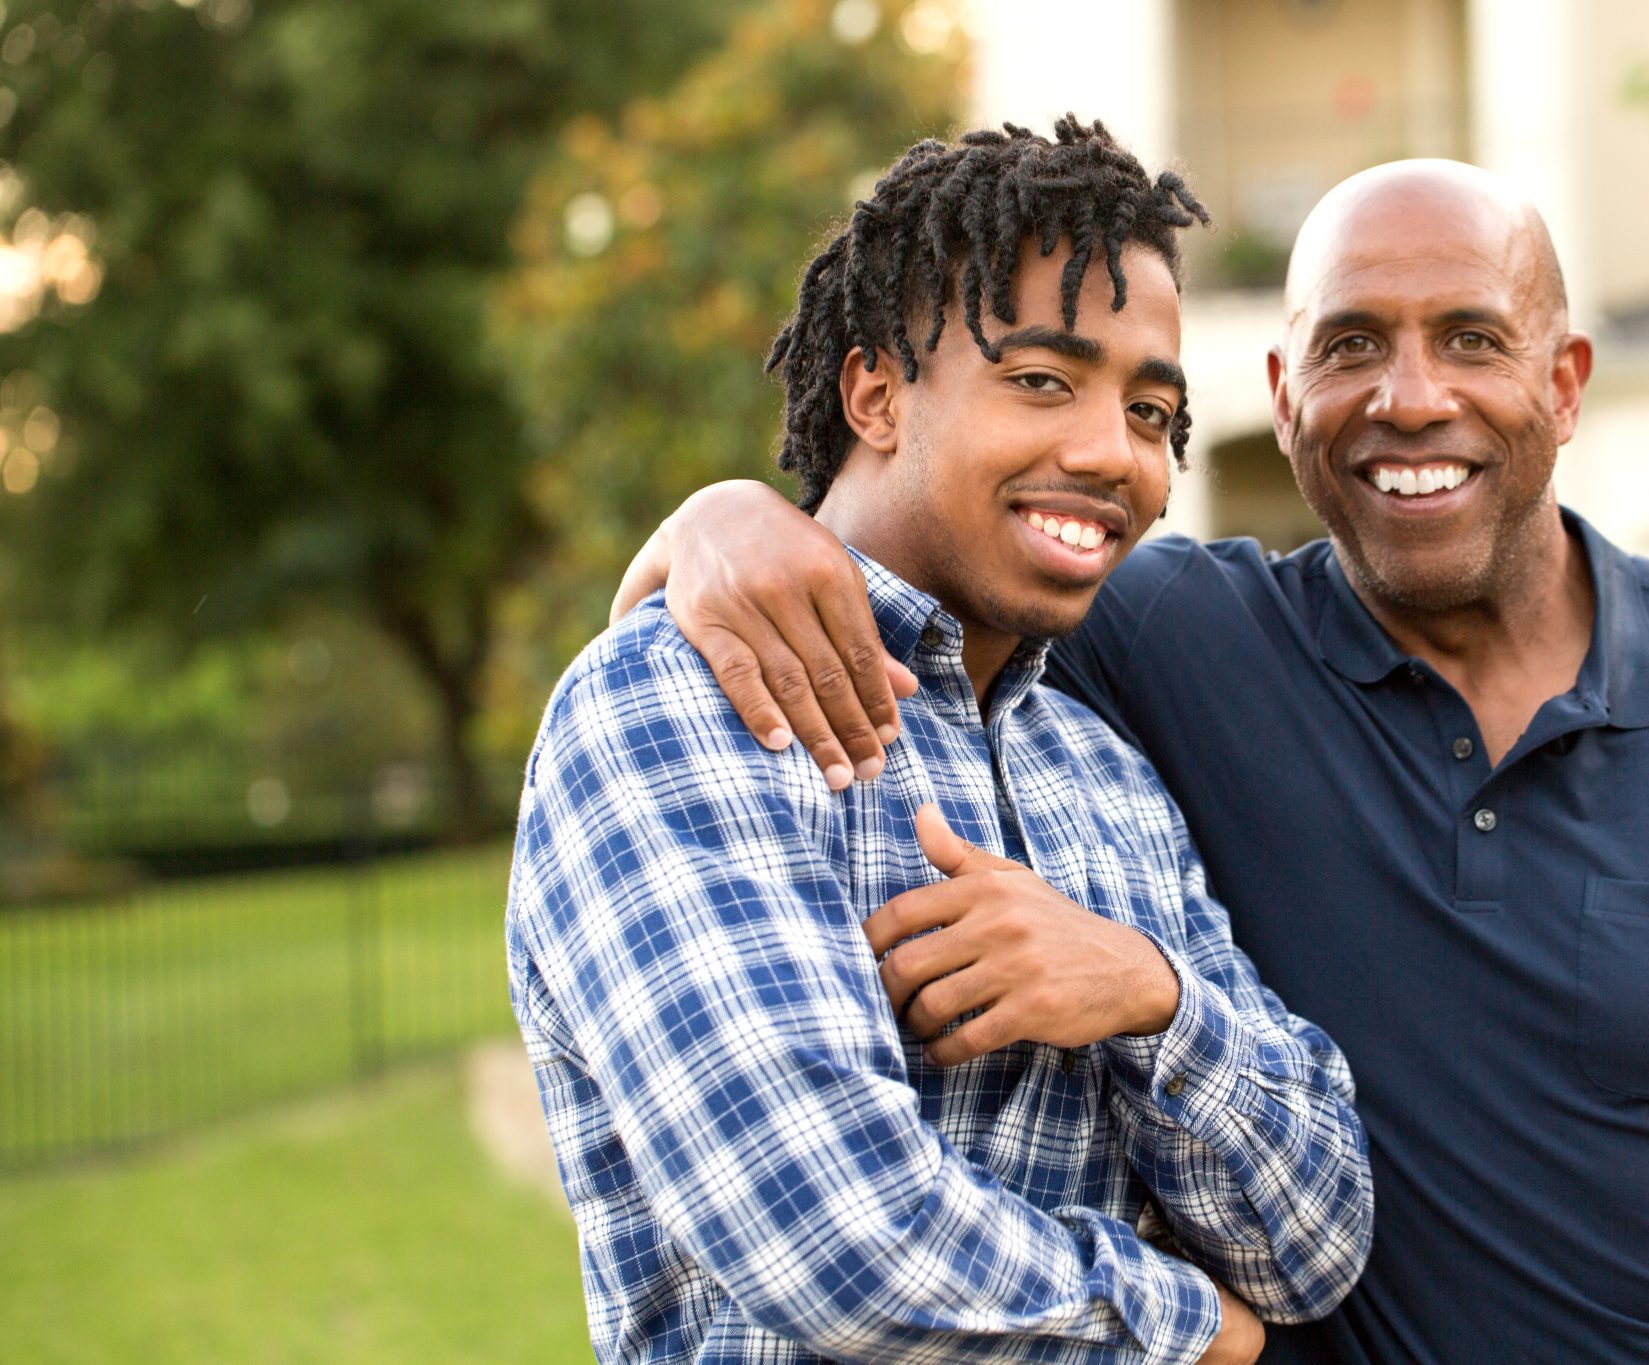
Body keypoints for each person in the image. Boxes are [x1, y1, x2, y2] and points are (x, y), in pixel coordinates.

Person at [614, 158, 1649, 1362]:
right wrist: (727, 518)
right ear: (1284, 393)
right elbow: (937, 552)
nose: (1409, 397)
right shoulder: (1168, 644)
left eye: (1472, 340)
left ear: (1565, 383)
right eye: (1351, 345)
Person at [508, 117, 1372, 1365]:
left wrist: (1150, 996)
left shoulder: (1104, 773)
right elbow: (831, 1238)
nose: (1109, 452)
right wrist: (1194, 1335)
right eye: (1041, 380)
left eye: (1148, 411)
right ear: (874, 393)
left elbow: (1318, 1243)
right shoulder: (681, 706)